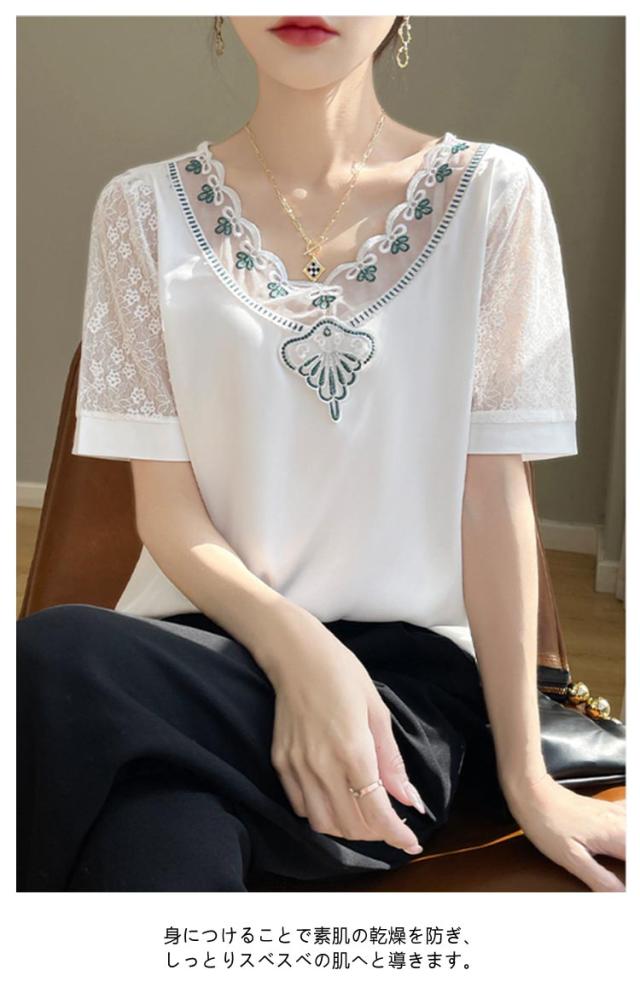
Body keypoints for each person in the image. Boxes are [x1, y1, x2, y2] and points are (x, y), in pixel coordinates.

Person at [17, 15, 625, 893]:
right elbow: (168, 514)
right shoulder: (139, 213)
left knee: (46, 660)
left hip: (396, 701)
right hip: (189, 663)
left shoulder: (493, 198)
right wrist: (300, 653)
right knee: (154, 846)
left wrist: (529, 782)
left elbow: (493, 498)